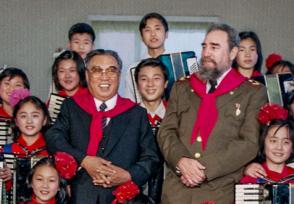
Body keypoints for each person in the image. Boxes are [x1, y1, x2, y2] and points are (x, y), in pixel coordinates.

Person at [157, 23, 268, 203]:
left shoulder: (252, 92)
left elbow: (248, 143)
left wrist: (203, 170)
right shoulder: (182, 87)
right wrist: (181, 161)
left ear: (232, 53)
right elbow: (166, 132)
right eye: (204, 46)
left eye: (214, 47)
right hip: (177, 192)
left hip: (220, 192)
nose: (206, 52)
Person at [45, 49, 160, 203]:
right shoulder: (71, 107)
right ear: (87, 75)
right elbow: (53, 138)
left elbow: (151, 158)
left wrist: (128, 175)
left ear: (119, 75)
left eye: (112, 70)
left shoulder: (136, 114)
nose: (105, 76)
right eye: (97, 70)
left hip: (123, 198)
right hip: (81, 197)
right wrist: (84, 160)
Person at [0, 92, 51, 203]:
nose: (29, 121)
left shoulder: (52, 152)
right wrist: (5, 179)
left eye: (35, 115)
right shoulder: (5, 152)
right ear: (16, 121)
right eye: (23, 116)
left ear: (45, 120)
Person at [134, 58, 168, 204]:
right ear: (137, 84)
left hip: (171, 187)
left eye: (156, 78)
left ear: (166, 83)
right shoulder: (126, 116)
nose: (150, 84)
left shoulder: (178, 115)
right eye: (144, 79)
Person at [125, 12, 169, 102]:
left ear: (166, 34)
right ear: (141, 37)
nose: (153, 34)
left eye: (157, 29)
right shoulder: (133, 69)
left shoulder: (181, 63)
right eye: (147, 30)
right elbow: (130, 101)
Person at [240, 119, 294, 184]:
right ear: (263, 143)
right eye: (273, 141)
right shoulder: (253, 176)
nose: (279, 147)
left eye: (286, 142)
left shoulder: (292, 176)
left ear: (292, 148)